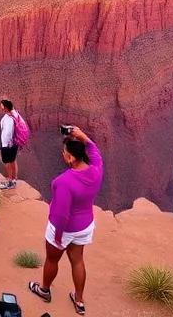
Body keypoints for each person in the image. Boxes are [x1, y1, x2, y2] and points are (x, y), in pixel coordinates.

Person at [28, 125, 102, 316]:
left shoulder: (64, 182)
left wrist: (58, 237)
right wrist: (82, 136)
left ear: (70, 158)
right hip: (85, 226)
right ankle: (79, 301)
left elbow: (61, 214)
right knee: (77, 260)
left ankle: (44, 290)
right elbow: (95, 151)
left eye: (64, 152)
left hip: (65, 229)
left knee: (52, 259)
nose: (63, 155)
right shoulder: (96, 170)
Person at [0, 99, 24, 189]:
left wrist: (5, 145)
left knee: (7, 162)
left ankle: (10, 181)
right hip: (14, 142)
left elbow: (7, 133)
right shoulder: (14, 114)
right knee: (13, 160)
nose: (1, 107)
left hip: (8, 144)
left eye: (2, 106)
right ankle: (14, 179)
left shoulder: (8, 118)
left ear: (5, 107)